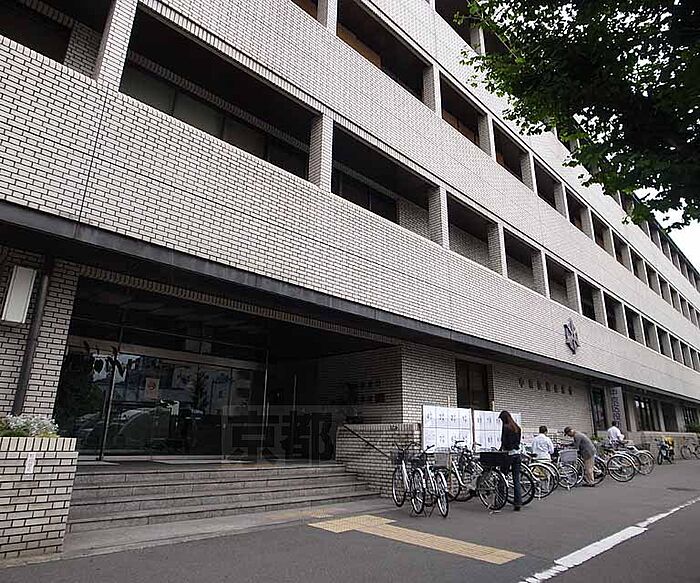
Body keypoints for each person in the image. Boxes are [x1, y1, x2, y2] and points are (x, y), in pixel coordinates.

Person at [499, 410, 522, 510]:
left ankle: (500, 500)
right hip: (517, 454)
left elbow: (504, 442)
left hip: (508, 455)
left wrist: (501, 449)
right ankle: (518, 503)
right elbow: (518, 442)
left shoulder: (506, 427)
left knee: (502, 477)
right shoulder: (517, 428)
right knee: (516, 479)